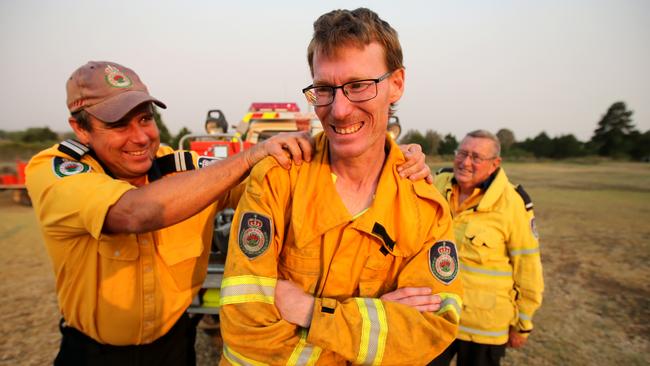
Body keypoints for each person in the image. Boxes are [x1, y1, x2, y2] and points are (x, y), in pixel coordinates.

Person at [25, 61, 431, 366]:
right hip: (94, 355)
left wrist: (383, 160)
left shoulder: (179, 166)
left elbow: (269, 186)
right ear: (80, 129)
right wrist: (250, 155)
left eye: (146, 119)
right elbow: (133, 213)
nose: (140, 137)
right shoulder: (57, 171)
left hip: (173, 348)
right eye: (118, 125)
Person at [219, 8, 463, 365]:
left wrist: (309, 312)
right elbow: (246, 332)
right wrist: (372, 323)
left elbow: (429, 332)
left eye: (358, 86)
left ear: (396, 84)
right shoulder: (276, 179)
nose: (339, 110)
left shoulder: (425, 207)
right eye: (323, 89)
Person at [430, 130, 544, 366]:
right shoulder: (436, 184)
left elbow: (528, 268)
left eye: (476, 157)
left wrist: (523, 324)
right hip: (434, 317)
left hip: (484, 327)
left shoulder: (513, 203)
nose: (465, 162)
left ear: (495, 164)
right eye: (461, 153)